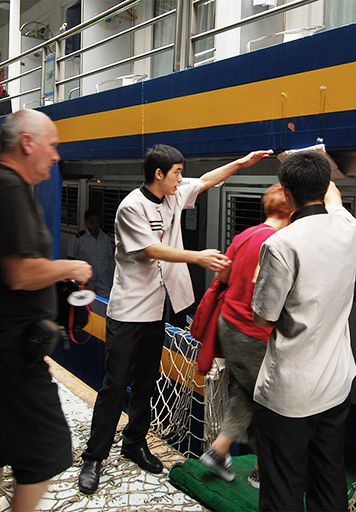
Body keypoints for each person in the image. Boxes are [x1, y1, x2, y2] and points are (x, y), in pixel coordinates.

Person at [78, 144, 273, 495]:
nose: (182, 179)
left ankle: (135, 442)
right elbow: (151, 249)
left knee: (146, 383)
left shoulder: (173, 195)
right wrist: (196, 257)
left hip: (155, 311)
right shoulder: (131, 207)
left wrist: (243, 162)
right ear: (159, 174)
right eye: (178, 172)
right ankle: (95, 456)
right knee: (114, 385)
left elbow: (208, 181)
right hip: (126, 312)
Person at [0, 109, 93, 512]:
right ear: (27, 143)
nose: (57, 156)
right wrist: (70, 267)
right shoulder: (5, 189)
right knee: (47, 450)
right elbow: (18, 272)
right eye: (53, 145)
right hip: (3, 350)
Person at [251, 151, 356, 511]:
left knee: (282, 489)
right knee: (329, 482)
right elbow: (335, 198)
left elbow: (264, 317)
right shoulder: (348, 227)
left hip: (290, 394)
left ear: (285, 192)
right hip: (335, 385)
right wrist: (319, 161)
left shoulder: (281, 244)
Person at [199, 184, 292, 489]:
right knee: (270, 400)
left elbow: (223, 276)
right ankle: (261, 471)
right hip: (255, 333)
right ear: (292, 210)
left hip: (230, 326)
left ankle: (219, 451)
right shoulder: (282, 241)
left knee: (247, 393)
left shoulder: (246, 234)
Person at [67, 209, 114, 297]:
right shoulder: (78, 239)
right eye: (91, 221)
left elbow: (108, 255)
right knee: (85, 303)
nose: (95, 224)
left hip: (102, 278)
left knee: (104, 302)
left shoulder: (105, 238)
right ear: (85, 222)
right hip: (86, 279)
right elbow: (71, 257)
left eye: (97, 221)